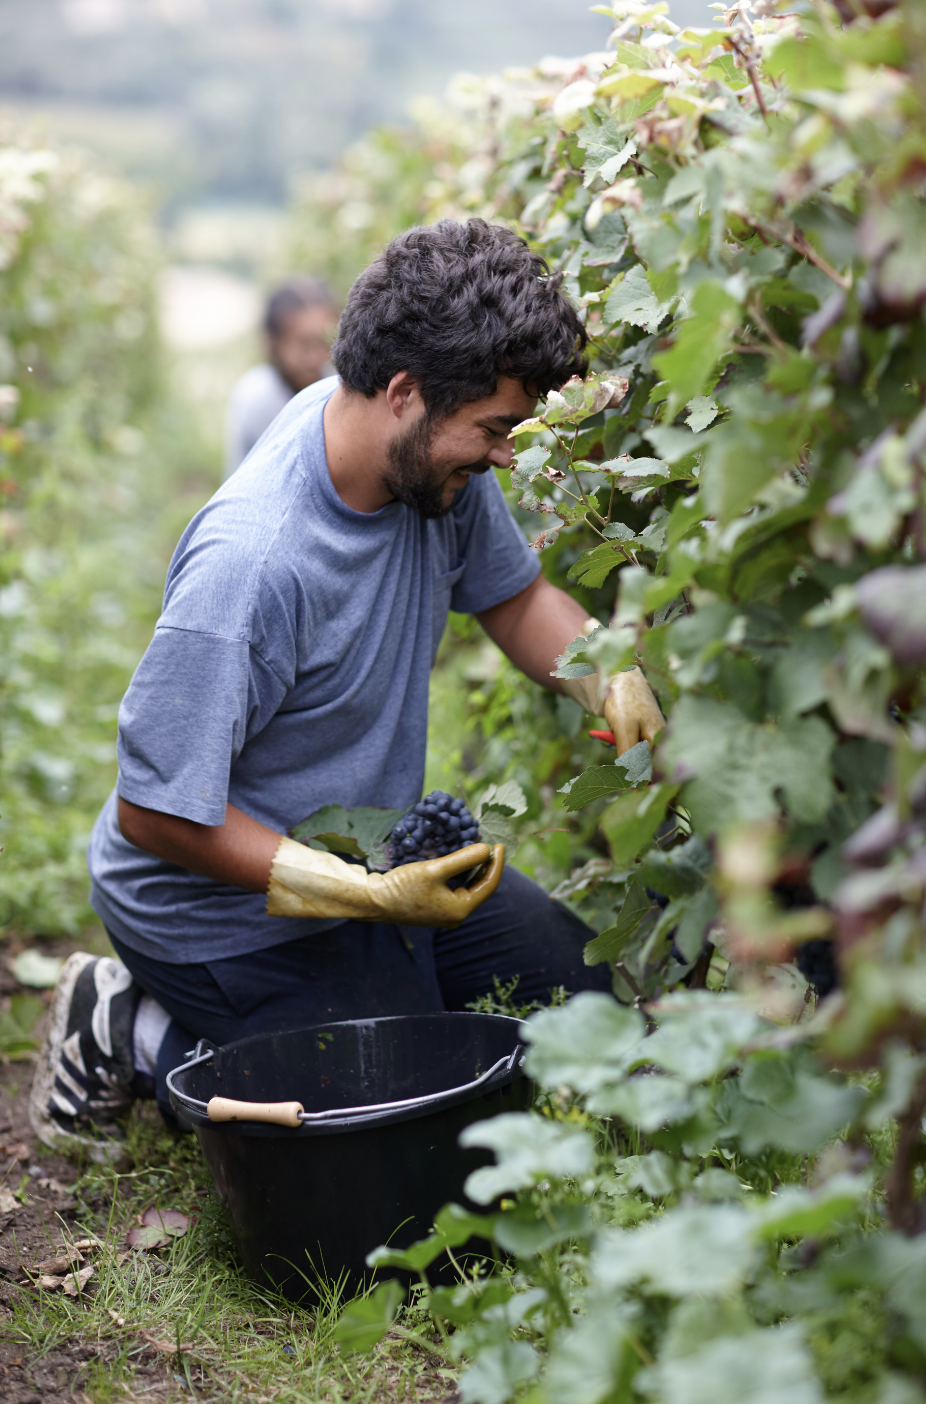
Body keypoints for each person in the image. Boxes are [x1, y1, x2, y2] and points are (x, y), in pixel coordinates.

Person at [30, 219, 664, 1157]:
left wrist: (608, 675)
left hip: (370, 858)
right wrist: (363, 897)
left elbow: (517, 596)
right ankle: (128, 1027)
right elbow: (154, 814)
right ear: (404, 393)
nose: (501, 457)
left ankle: (356, 985)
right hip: (216, 911)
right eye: (492, 431)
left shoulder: (420, 460)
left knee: (601, 1017)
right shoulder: (253, 563)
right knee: (397, 1132)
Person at [224, 276, 339, 478]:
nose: (317, 357)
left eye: (324, 342)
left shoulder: (331, 379)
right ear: (272, 341)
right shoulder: (259, 398)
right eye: (305, 345)